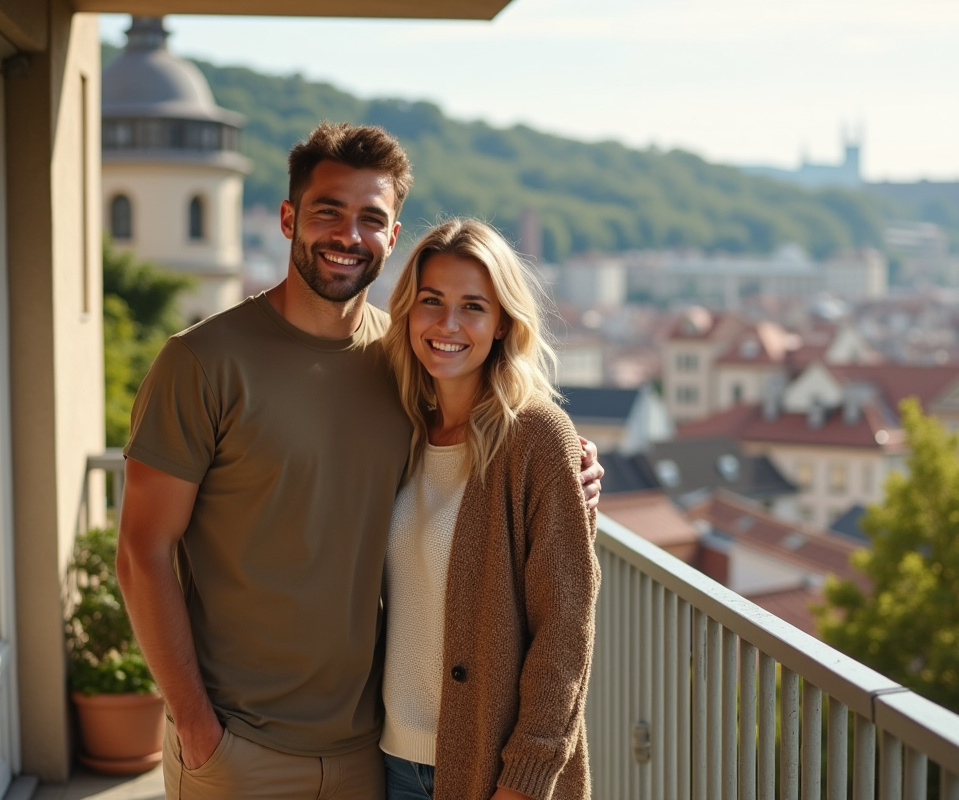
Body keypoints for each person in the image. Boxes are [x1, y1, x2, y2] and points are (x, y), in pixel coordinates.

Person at [115, 123, 603, 800]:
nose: (348, 235)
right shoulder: (201, 362)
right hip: (240, 747)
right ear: (288, 218)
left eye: (370, 218)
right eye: (328, 212)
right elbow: (141, 552)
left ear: (392, 236)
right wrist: (196, 725)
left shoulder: (399, 362)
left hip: (368, 754)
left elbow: (495, 453)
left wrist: (570, 467)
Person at [378, 218, 598, 800]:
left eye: (472, 307)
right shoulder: (396, 425)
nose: (447, 324)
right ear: (408, 310)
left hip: (493, 771)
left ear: (502, 323)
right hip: (388, 760)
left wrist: (525, 779)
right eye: (432, 300)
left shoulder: (537, 437)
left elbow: (565, 630)